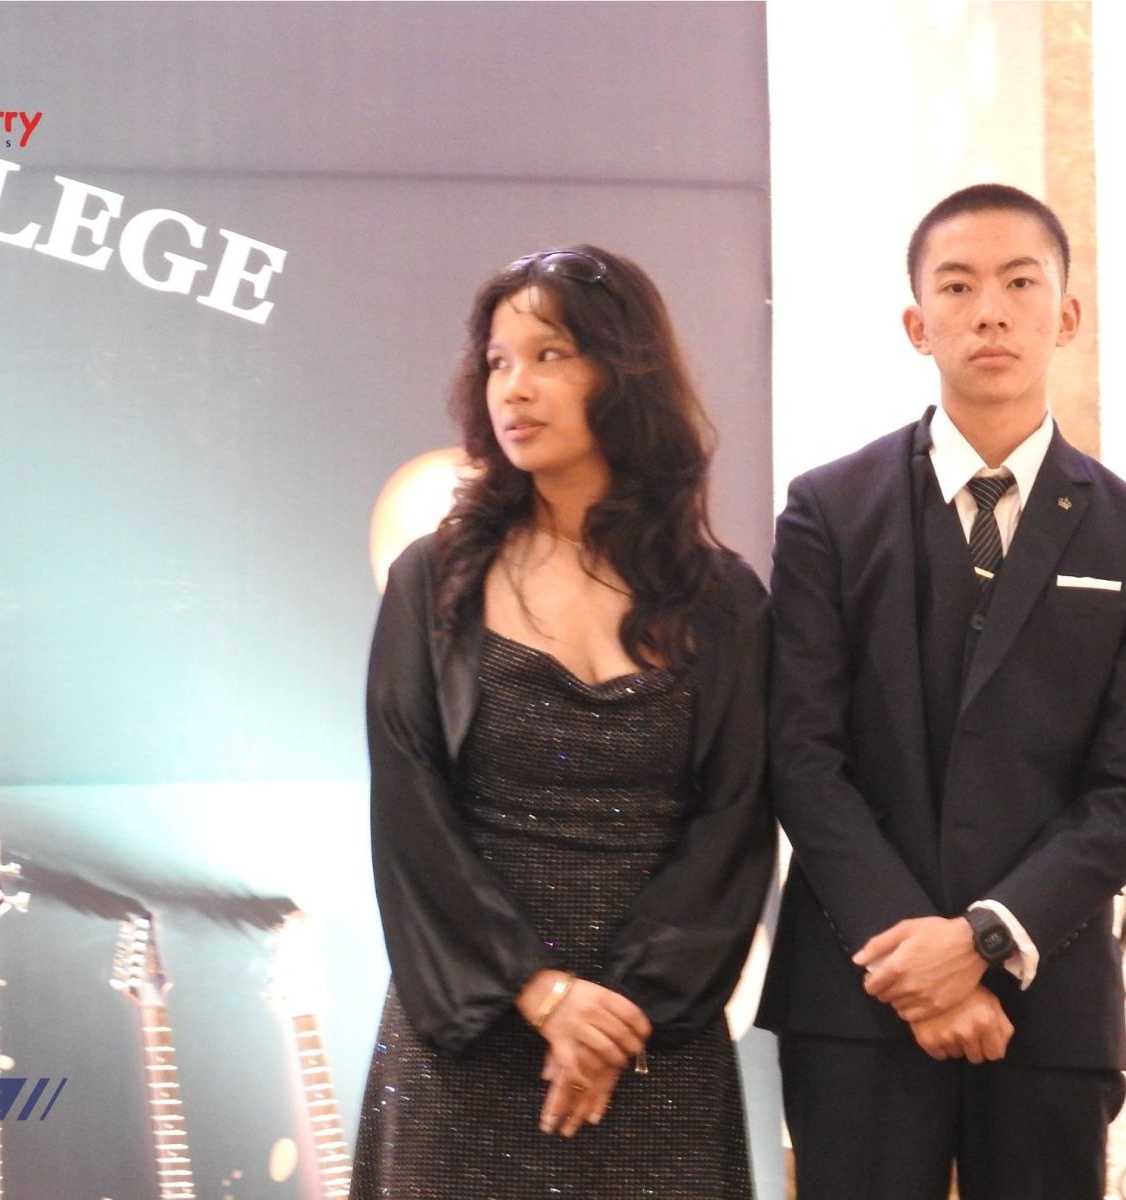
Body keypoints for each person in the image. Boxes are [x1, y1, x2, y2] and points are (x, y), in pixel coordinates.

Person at [757, 184, 1126, 1200]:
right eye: (956, 287)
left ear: (1066, 315)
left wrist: (984, 939)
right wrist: (917, 964)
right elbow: (802, 759)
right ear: (918, 324)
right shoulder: (828, 511)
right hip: (858, 991)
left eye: (1019, 283)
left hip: (1050, 998)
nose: (989, 310)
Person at [352, 245, 774, 1199]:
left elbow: (735, 823)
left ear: (623, 372)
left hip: (650, 1043)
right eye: (498, 362)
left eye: (550, 356)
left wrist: (619, 1010)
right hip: (472, 1037)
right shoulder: (433, 582)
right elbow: (411, 819)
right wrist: (541, 993)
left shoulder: (725, 601)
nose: (515, 388)